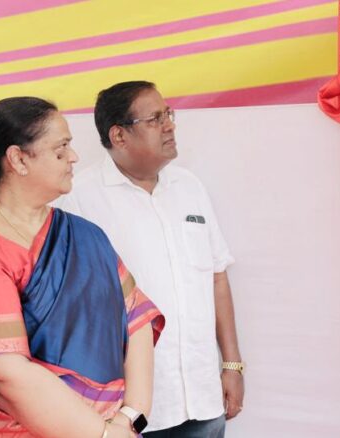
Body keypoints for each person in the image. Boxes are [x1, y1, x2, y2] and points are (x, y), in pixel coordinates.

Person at [0, 96, 164, 437]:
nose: (74, 157)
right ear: (18, 159)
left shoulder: (86, 235)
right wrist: (102, 434)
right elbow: (2, 375)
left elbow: (137, 319)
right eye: (61, 148)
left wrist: (130, 416)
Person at [59, 81, 244, 437]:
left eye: (168, 114)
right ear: (119, 136)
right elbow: (72, 307)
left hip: (203, 396)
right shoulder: (79, 200)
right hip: (128, 409)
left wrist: (232, 365)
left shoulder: (189, 187)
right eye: (155, 118)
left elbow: (216, 276)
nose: (169, 125)